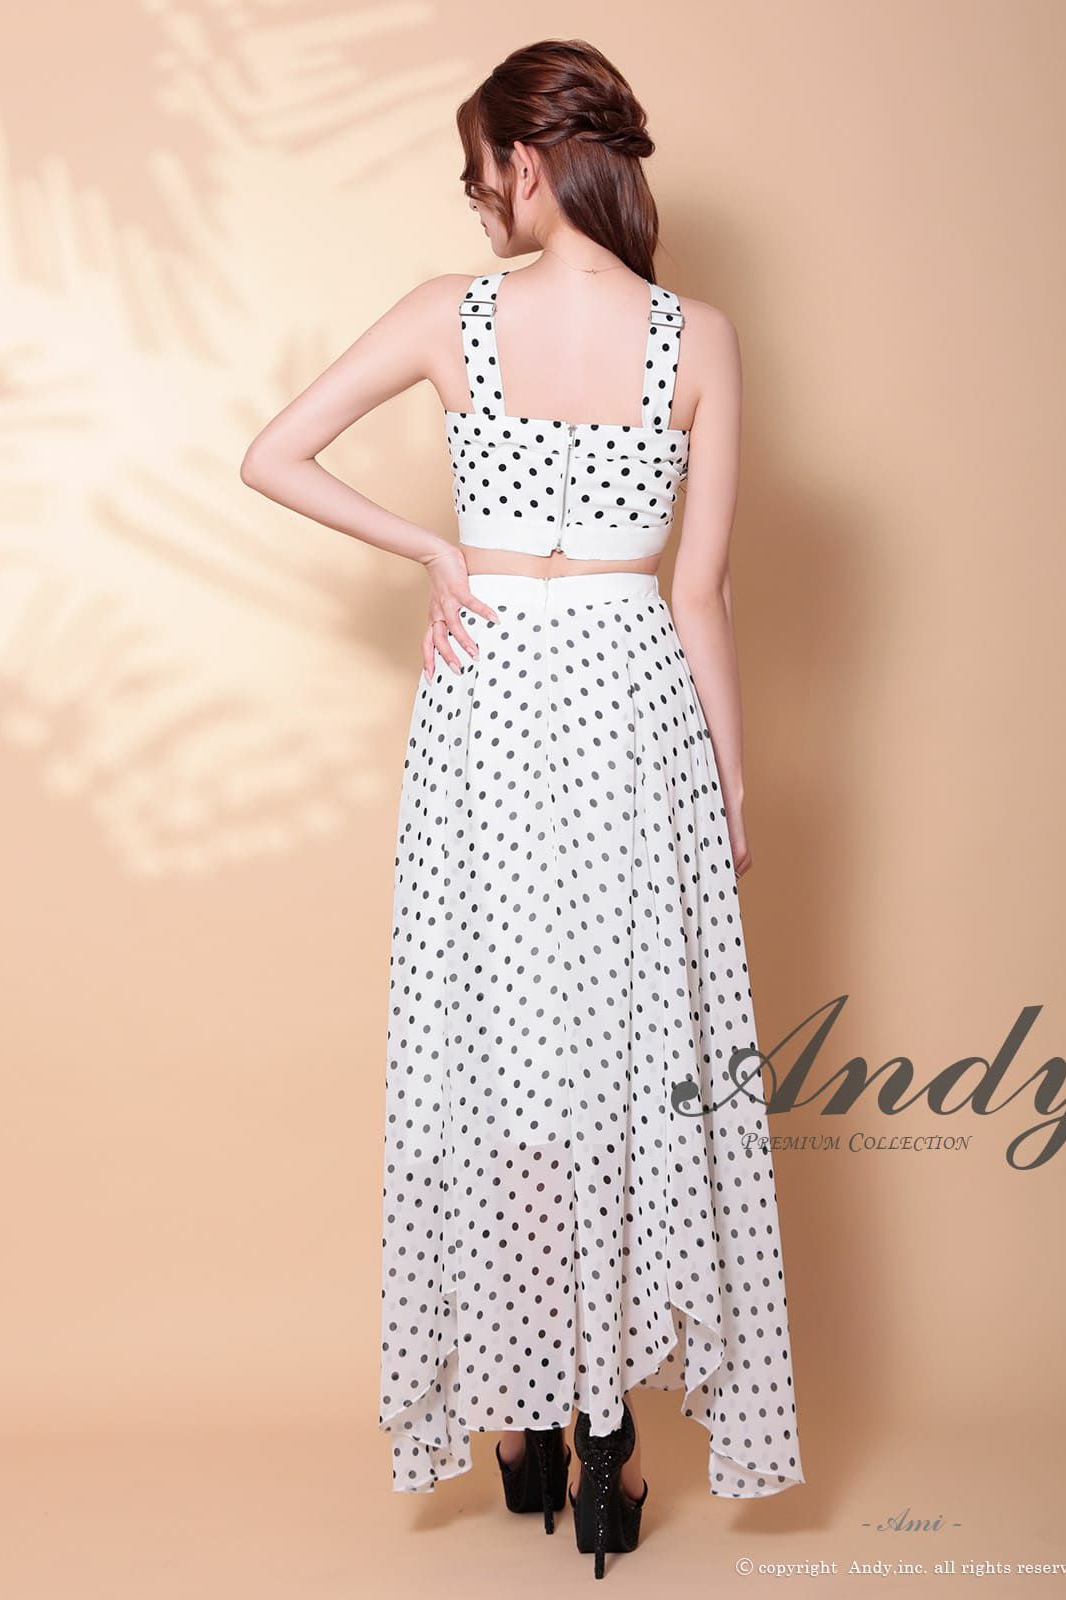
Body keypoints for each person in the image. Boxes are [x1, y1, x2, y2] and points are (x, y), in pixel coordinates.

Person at [240, 35, 804, 1579]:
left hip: (489, 712)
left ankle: (525, 1422)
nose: (476, 196)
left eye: (481, 168)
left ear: (533, 161)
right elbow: (702, 592)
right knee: (623, 1072)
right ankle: (608, 1441)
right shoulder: (701, 337)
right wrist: (729, 784)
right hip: (632, 718)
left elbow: (271, 455)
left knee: (496, 1068)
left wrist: (438, 551)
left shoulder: (452, 314)